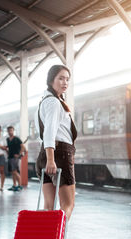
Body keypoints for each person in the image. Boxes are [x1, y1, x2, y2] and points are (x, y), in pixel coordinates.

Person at [35, 65, 77, 220]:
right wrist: (52, 160)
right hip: (59, 154)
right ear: (51, 80)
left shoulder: (45, 101)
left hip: (44, 155)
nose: (65, 82)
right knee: (67, 205)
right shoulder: (53, 102)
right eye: (60, 78)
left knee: (48, 206)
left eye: (67, 79)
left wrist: (48, 158)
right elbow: (50, 131)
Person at [6, 126, 27, 191]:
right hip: (10, 157)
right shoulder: (7, 139)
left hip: (15, 158)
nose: (10, 132)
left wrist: (19, 155)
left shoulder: (17, 139)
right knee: (13, 172)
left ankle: (20, 186)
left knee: (15, 172)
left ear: (13, 131)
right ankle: (14, 185)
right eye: (9, 130)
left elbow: (23, 147)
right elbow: (7, 148)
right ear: (7, 131)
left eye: (11, 130)